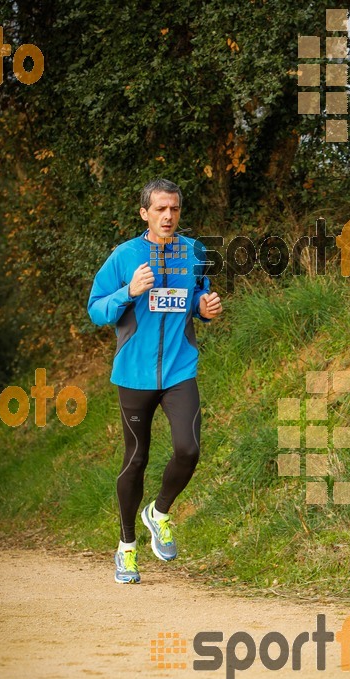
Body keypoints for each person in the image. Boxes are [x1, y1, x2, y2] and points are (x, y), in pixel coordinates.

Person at [87, 178, 222, 584]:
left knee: (189, 448)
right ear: (144, 213)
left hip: (180, 368)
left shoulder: (194, 252)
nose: (168, 215)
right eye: (160, 209)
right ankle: (126, 548)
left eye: (174, 209)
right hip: (134, 373)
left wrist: (205, 306)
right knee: (136, 459)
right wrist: (129, 290)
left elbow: (199, 297)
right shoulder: (124, 256)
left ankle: (158, 514)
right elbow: (96, 310)